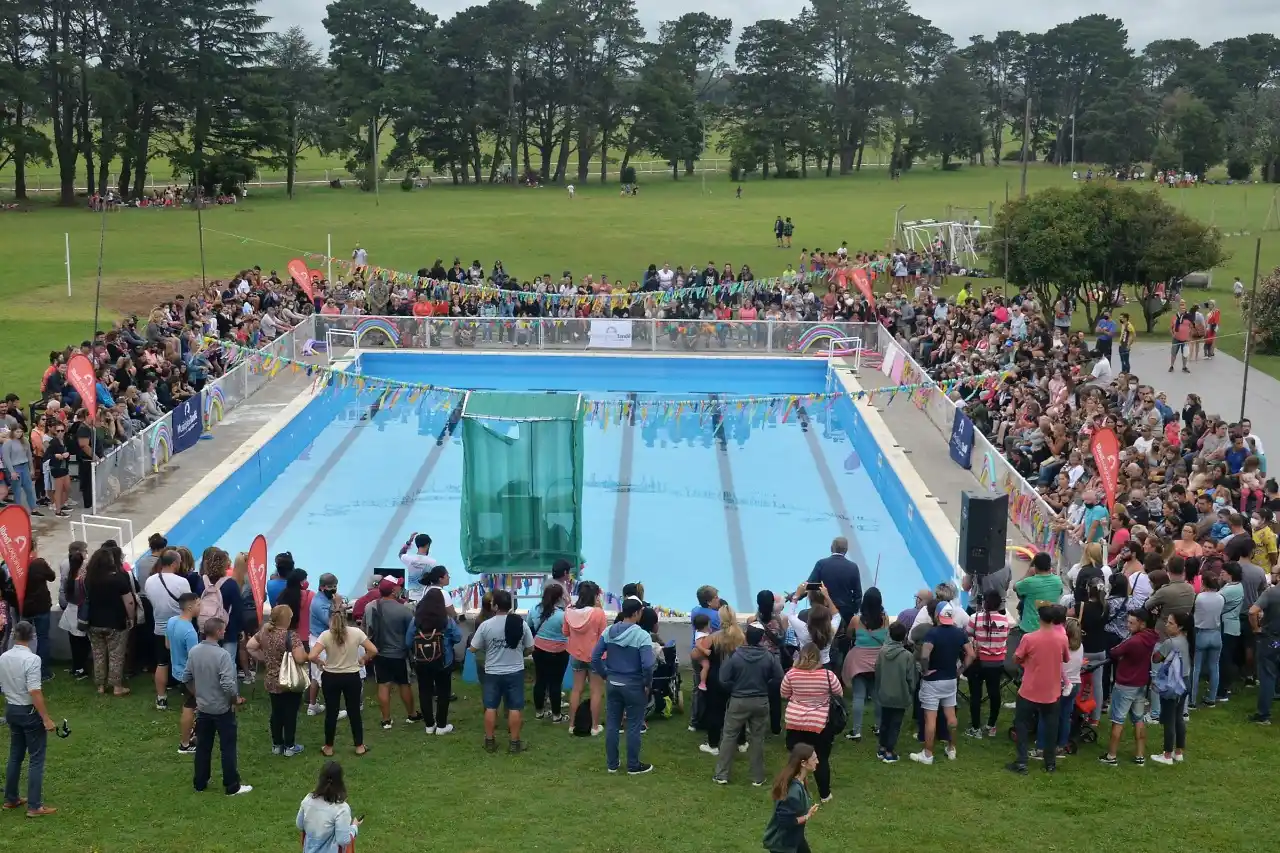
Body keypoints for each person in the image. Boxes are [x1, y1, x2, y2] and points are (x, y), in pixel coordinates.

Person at [182, 617, 252, 795]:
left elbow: (186, 677)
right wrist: (235, 699)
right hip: (222, 709)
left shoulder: (194, 651)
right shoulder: (223, 655)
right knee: (227, 747)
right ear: (219, 632)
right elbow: (228, 684)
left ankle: (200, 782)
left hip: (203, 707)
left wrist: (197, 694)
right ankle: (231, 785)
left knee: (203, 747)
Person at [713, 625, 783, 786]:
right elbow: (779, 677)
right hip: (760, 701)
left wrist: (735, 689)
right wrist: (765, 688)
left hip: (738, 701)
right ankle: (757, 777)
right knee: (757, 738)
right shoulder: (769, 656)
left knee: (729, 736)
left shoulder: (735, 656)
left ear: (745, 636)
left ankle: (722, 775)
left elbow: (723, 679)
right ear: (761, 638)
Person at [592, 599, 655, 775]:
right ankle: (633, 765)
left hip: (613, 683)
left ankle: (612, 764)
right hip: (634, 685)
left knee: (612, 723)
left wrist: (605, 675)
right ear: (636, 613)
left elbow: (595, 657)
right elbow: (648, 665)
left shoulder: (608, 631)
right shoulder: (642, 636)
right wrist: (646, 683)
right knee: (634, 725)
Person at [1, 621, 57, 817]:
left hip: (11, 709)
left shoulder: (4, 657)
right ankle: (35, 806)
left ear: (14, 635)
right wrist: (46, 719)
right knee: (36, 759)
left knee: (15, 755)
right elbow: (34, 691)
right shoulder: (32, 659)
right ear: (32, 636)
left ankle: (11, 798)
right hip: (28, 712)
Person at [1008, 605, 1070, 774]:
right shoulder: (1062, 639)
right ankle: (1050, 763)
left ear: (1039, 618)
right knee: (1051, 727)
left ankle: (1021, 762)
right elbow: (1065, 658)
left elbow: (1016, 658)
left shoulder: (1029, 638)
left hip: (1029, 689)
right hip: (1052, 690)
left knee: (1021, 724)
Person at [470, 589, 533, 754]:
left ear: (496, 606)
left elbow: (473, 648)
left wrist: (488, 647)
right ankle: (514, 743)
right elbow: (530, 647)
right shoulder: (520, 623)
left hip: (492, 671)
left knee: (490, 706)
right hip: (515, 671)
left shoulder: (486, 625)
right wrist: (521, 653)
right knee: (514, 707)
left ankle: (489, 741)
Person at [911, 603, 975, 766]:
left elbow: (925, 656)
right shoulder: (959, 633)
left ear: (937, 615)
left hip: (933, 681)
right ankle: (951, 748)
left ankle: (928, 754)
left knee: (930, 719)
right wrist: (959, 671)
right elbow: (971, 654)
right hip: (950, 680)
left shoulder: (932, 633)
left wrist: (925, 671)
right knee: (951, 716)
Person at [309, 610, 377, 757]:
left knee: (331, 713)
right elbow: (373, 649)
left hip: (331, 677)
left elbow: (312, 655)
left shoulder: (326, 635)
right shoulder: (356, 633)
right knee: (354, 712)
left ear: (330, 621)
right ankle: (359, 745)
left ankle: (328, 747)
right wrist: (363, 659)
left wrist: (320, 662)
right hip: (351, 676)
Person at [780, 644, 841, 801]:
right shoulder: (828, 675)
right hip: (819, 723)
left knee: (795, 758)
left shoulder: (791, 674)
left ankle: (789, 790)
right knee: (821, 758)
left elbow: (784, 693)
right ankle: (825, 794)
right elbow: (838, 693)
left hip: (795, 722)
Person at [247, 604, 308, 756]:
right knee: (290, 713)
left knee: (276, 712)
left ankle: (277, 744)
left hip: (272, 679)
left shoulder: (264, 633)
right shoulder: (291, 636)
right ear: (287, 619)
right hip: (288, 680)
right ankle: (289, 745)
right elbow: (300, 659)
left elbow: (250, 646)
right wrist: (309, 656)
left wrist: (264, 659)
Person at [1101, 610, 1159, 765]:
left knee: (1118, 720)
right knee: (1138, 719)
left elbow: (1115, 651)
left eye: (1131, 623)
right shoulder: (1151, 637)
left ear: (1142, 623)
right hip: (1141, 684)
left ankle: (1111, 756)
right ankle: (1140, 755)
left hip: (1125, 684)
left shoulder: (1134, 641)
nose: (1128, 625)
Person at [363, 579, 418, 730]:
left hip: (379, 653)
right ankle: (412, 715)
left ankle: (386, 720)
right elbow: (411, 634)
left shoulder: (370, 607)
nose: (400, 588)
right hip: (400, 654)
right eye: (398, 586)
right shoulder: (404, 610)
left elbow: (366, 630)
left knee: (383, 685)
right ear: (393, 590)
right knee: (404, 684)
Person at [84, 546, 136, 696]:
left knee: (98, 654)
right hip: (115, 622)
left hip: (94, 622)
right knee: (116, 655)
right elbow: (129, 602)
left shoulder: (89, 580)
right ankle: (116, 687)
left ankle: (100, 685)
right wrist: (131, 618)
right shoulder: (118, 579)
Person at [409, 588, 462, 735]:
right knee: (443, 693)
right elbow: (458, 637)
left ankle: (429, 725)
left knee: (424, 691)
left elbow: (408, 641)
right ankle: (441, 725)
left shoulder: (416, 621)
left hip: (421, 661)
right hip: (443, 661)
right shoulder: (446, 620)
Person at [145, 550, 191, 710]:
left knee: (162, 662)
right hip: (179, 626)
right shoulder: (182, 582)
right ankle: (189, 695)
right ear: (173, 563)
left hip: (160, 626)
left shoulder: (150, 581)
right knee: (186, 661)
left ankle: (161, 698)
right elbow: (188, 603)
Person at [841, 587, 887, 742]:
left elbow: (848, 634)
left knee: (858, 696)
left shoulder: (856, 620)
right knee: (877, 696)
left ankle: (857, 731)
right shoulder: (885, 618)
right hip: (878, 662)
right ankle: (880, 727)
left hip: (859, 662)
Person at [965, 590, 1011, 739]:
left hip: (978, 662)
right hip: (996, 663)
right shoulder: (1005, 620)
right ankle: (991, 725)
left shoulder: (975, 618)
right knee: (994, 693)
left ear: (984, 602)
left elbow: (969, 635)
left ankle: (975, 727)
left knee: (975, 695)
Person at [564, 581, 607, 736]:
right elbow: (604, 635)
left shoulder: (569, 610)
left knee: (577, 689)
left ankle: (571, 724)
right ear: (595, 596)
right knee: (596, 691)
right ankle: (594, 726)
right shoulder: (598, 613)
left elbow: (565, 632)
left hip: (576, 654)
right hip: (596, 656)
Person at [762, 743, 820, 853]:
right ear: (803, 763)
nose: (817, 762)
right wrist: (807, 816)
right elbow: (786, 821)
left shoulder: (801, 781)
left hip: (794, 838)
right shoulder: (793, 791)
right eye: (814, 759)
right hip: (783, 844)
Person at [874, 622, 917, 764]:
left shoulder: (882, 652)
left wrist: (879, 688)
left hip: (884, 693)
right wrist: (911, 690)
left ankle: (882, 747)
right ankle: (889, 751)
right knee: (895, 724)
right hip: (901, 695)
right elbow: (911, 678)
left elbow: (878, 672)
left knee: (885, 722)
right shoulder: (907, 656)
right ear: (904, 636)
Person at [1151, 612, 1191, 764]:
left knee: (1169, 719)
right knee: (1179, 717)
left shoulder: (1170, 643)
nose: (1166, 625)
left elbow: (1156, 658)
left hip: (1172, 684)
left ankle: (1167, 755)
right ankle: (1178, 752)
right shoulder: (1185, 640)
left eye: (1170, 623)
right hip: (1185, 681)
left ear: (1179, 626)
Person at [527, 583, 569, 722]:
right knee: (555, 683)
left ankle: (539, 712)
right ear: (558, 599)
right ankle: (557, 716)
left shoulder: (534, 609)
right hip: (559, 652)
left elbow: (530, 626)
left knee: (540, 681)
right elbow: (568, 632)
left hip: (538, 650)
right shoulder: (563, 615)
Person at [297, 761, 361, 853]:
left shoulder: (308, 799)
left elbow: (300, 824)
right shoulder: (341, 809)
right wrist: (354, 827)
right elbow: (343, 840)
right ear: (340, 781)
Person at [167, 593, 201, 754]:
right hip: (188, 676)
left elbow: (167, 645)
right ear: (190, 607)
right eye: (198, 605)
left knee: (194, 705)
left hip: (176, 671)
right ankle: (185, 743)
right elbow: (195, 659)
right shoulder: (190, 632)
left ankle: (194, 732)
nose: (200, 608)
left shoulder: (172, 621)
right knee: (189, 706)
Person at [798, 537, 862, 624]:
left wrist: (796, 596)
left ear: (831, 548)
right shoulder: (853, 567)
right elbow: (858, 594)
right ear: (846, 550)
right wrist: (852, 611)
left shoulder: (821, 564)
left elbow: (809, 585)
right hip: (845, 613)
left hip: (824, 611)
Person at [1247, 577, 1280, 724]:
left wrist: (1256, 629)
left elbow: (1252, 611)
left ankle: (1263, 715)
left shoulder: (1271, 593)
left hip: (1271, 639)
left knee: (1267, 675)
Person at [1190, 572, 1225, 708]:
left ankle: (1192, 700)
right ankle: (1212, 698)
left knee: (1196, 668)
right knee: (1214, 667)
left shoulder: (1200, 598)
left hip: (1201, 633)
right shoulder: (1221, 598)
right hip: (1216, 634)